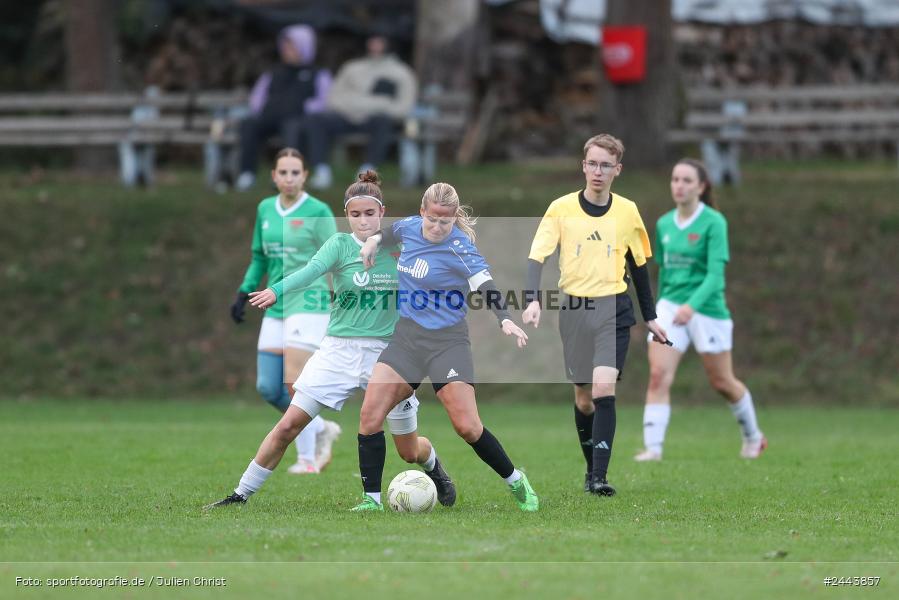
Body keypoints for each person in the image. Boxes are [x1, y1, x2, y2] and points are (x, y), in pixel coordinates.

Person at [208, 171, 456, 508]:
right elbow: (309, 271)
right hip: (337, 351)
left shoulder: (400, 247)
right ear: (347, 215)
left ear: (382, 213)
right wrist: (274, 290)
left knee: (409, 450)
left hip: (389, 355)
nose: (362, 220)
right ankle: (239, 495)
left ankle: (435, 468)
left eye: (370, 213)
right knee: (287, 426)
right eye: (355, 214)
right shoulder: (339, 245)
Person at [354, 182, 539, 512]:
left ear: (455, 217)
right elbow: (389, 234)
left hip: (447, 343)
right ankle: (371, 502)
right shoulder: (410, 227)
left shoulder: (460, 247)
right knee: (370, 414)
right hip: (407, 339)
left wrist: (504, 319)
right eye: (433, 219)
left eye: (446, 220)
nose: (439, 227)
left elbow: (485, 285)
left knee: (467, 426)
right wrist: (371, 242)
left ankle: (515, 481)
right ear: (423, 211)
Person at [522, 133, 670, 497]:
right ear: (583, 166)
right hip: (573, 308)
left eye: (606, 165)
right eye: (592, 163)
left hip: (613, 309)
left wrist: (649, 316)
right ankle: (590, 469)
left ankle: (600, 477)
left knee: (605, 389)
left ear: (617, 169)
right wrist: (532, 299)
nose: (598, 171)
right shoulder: (560, 208)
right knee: (584, 397)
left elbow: (638, 266)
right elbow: (537, 257)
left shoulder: (627, 211)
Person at [635, 159, 766, 462]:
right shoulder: (665, 223)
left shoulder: (714, 222)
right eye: (675, 179)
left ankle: (753, 437)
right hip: (670, 306)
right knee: (657, 375)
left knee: (721, 382)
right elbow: (664, 271)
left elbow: (715, 275)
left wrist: (691, 307)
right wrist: (656, 310)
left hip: (707, 308)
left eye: (686, 180)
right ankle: (653, 449)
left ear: (701, 187)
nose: (679, 185)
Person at [229, 147, 340, 475]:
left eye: (296, 172)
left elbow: (335, 256)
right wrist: (243, 291)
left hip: (309, 301)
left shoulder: (318, 210)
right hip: (274, 301)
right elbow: (259, 257)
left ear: (304, 176)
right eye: (283, 172)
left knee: (295, 383)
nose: (289, 178)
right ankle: (319, 428)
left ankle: (307, 460)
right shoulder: (265, 209)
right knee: (268, 387)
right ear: (274, 176)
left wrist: (343, 295)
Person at [306, 35, 417, 189]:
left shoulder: (401, 72)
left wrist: (362, 104)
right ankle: (321, 171)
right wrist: (378, 103)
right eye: (372, 42)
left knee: (383, 121)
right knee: (317, 120)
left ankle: (366, 172)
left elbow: (403, 108)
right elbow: (333, 99)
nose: (375, 46)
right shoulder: (351, 68)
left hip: (377, 121)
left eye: (379, 42)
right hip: (347, 117)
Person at [235, 25, 332, 191]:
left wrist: (306, 108)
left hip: (297, 119)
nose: (287, 50)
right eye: (285, 46)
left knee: (291, 128)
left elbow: (326, 99)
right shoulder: (273, 72)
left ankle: (287, 177)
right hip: (270, 117)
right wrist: (261, 110)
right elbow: (257, 97)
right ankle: (247, 174)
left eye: (292, 46)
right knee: (249, 124)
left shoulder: (318, 74)